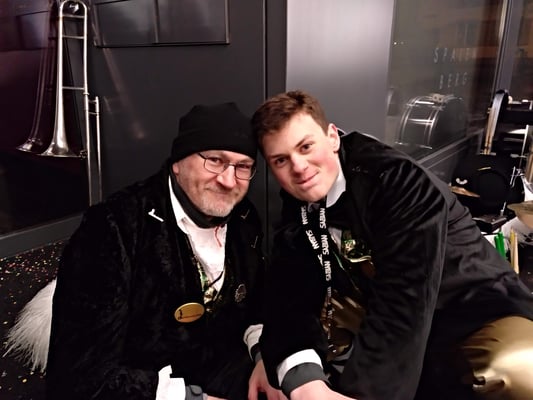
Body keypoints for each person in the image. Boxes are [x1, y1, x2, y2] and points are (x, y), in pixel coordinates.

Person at [250, 90, 533, 400]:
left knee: (518, 371)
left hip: (472, 305)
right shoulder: (302, 194)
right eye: (281, 160)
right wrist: (297, 375)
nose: (299, 166)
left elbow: (404, 301)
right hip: (381, 299)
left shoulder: (400, 182)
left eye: (306, 147)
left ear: (332, 137)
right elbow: (289, 286)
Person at [45, 102, 284, 400]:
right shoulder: (112, 228)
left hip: (220, 364)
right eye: (215, 160)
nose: (228, 180)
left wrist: (263, 358)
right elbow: (79, 376)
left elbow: (256, 307)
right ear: (178, 162)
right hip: (142, 385)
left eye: (243, 166)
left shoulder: (244, 218)